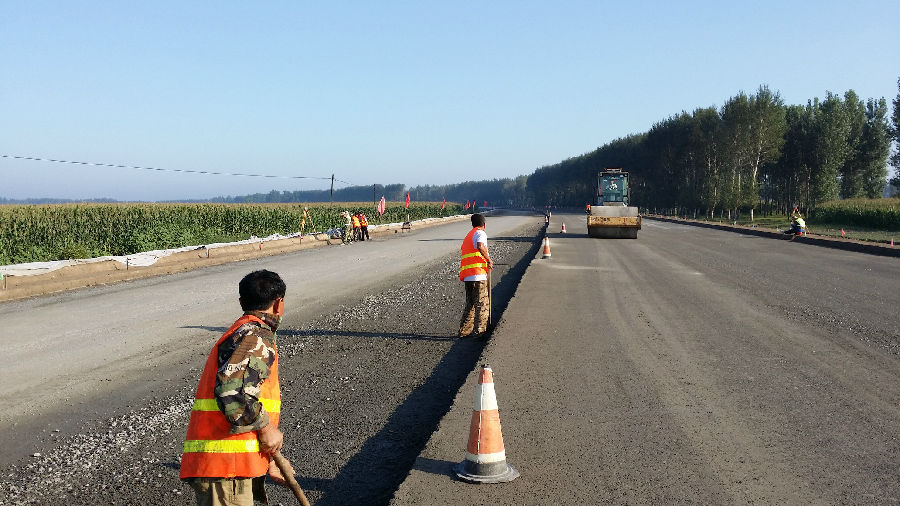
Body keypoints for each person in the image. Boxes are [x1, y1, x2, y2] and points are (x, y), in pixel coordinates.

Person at [181, 270, 294, 506]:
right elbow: (233, 392)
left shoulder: (242, 332)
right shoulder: (254, 337)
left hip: (227, 465)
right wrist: (266, 430)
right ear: (279, 303)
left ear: (242, 302)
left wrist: (270, 456)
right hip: (225, 466)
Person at [459, 213, 493, 338]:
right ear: (484, 224)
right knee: (482, 303)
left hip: (468, 275)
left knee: (470, 304)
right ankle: (479, 332)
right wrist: (488, 259)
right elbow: (480, 246)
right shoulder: (480, 233)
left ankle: (464, 331)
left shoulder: (469, 235)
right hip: (478, 275)